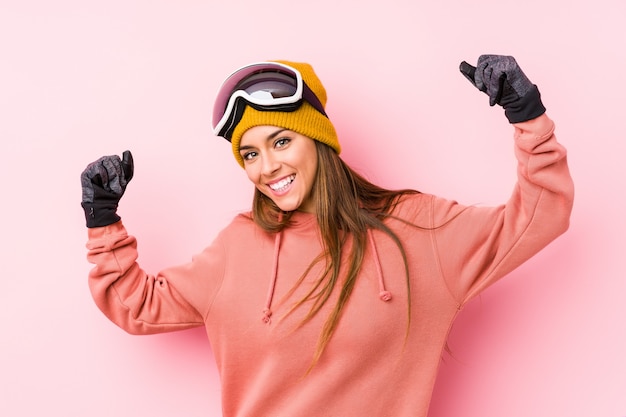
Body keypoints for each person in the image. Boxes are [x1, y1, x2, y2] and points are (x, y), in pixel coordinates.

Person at [81, 55, 574, 417]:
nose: (267, 166)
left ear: (317, 138)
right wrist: (103, 221)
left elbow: (540, 213)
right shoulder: (238, 247)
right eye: (249, 154)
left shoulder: (416, 230)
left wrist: (526, 116)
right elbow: (138, 306)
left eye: (280, 140)